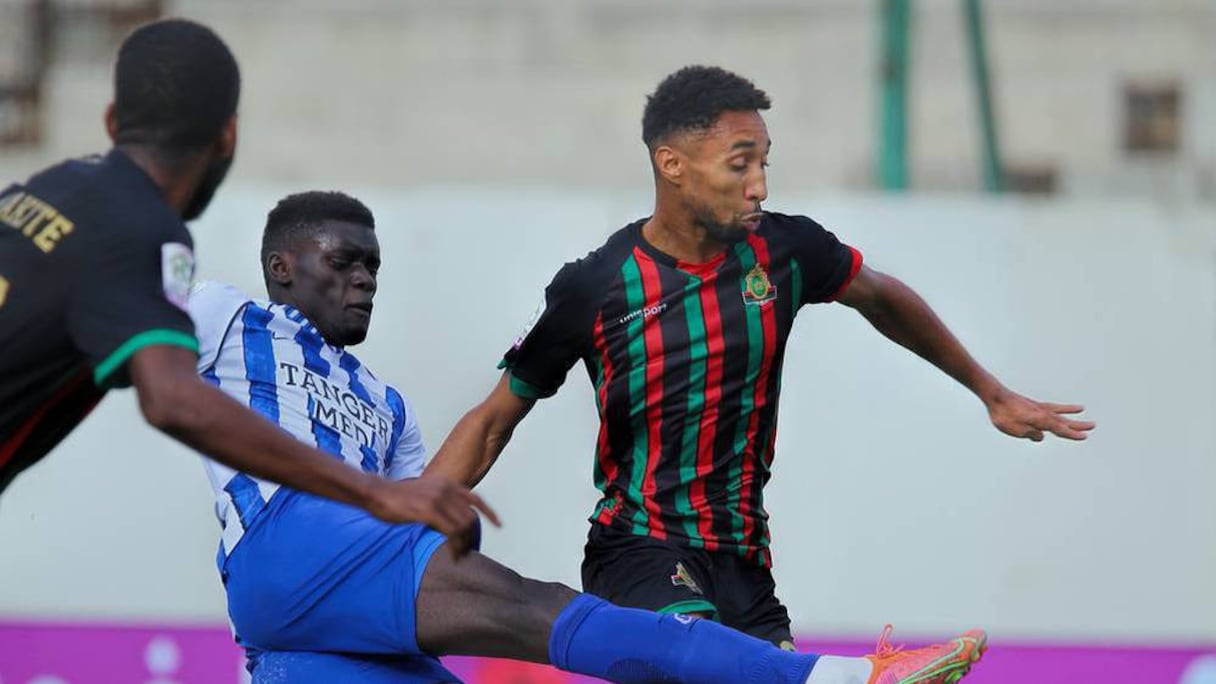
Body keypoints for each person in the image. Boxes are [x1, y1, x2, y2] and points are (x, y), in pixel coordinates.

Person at [187, 189, 986, 684]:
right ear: (281, 265)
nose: (364, 277)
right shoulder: (229, 319)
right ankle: (837, 679)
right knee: (533, 608)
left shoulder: (387, 405)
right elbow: (116, 271)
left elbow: (414, 515)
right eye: (343, 259)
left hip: (299, 626)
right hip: (284, 542)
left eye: (374, 264)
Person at [424, 65, 1096, 647]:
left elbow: (882, 296)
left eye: (764, 163)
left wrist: (990, 390)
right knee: (701, 659)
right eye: (740, 163)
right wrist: (401, 526)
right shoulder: (596, 287)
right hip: (638, 548)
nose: (760, 187)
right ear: (672, 164)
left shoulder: (785, 252)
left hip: (744, 562)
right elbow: (492, 420)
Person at [0, 19, 484, 544]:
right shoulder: (147, 230)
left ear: (112, 120)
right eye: (345, 262)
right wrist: (372, 492)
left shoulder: (47, 188)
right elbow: (171, 399)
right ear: (228, 134)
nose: (364, 281)